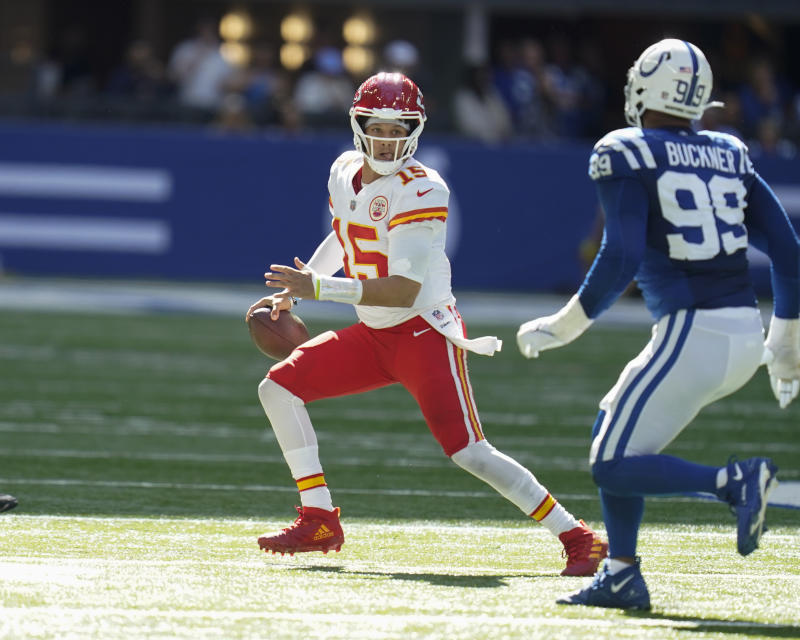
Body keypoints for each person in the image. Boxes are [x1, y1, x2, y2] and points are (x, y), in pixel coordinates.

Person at [245, 71, 607, 577]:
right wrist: (304, 283)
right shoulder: (343, 170)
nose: (388, 139)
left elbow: (403, 289)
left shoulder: (422, 189)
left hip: (423, 333)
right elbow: (344, 235)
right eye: (380, 127)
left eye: (400, 129)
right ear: (359, 124)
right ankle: (320, 517)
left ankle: (579, 537)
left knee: (470, 453)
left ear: (415, 131)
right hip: (374, 334)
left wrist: (319, 290)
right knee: (278, 389)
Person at [516, 39, 800, 610]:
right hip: (742, 332)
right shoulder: (728, 151)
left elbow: (619, 255)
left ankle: (733, 482)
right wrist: (786, 343)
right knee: (613, 427)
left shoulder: (626, 149)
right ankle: (622, 572)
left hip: (693, 329)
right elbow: (789, 253)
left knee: (610, 461)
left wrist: (567, 323)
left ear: (643, 87)